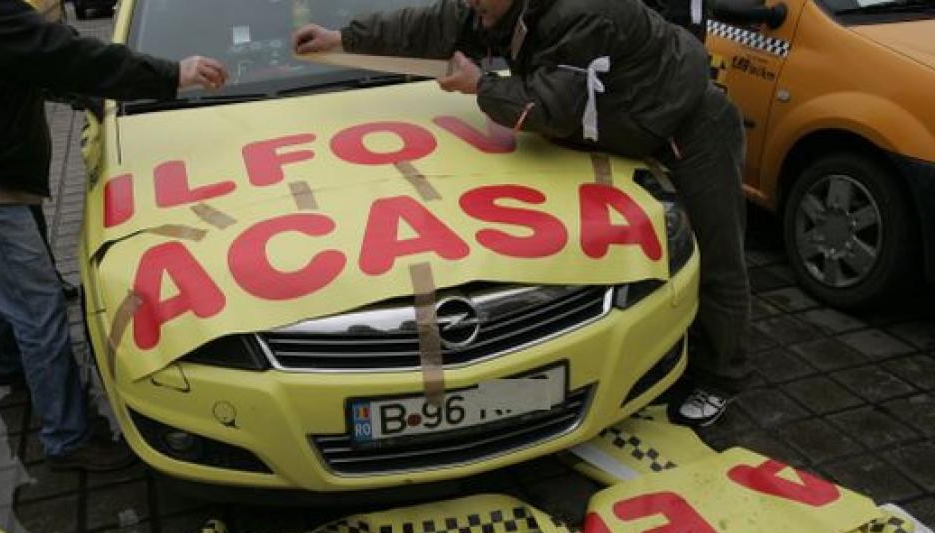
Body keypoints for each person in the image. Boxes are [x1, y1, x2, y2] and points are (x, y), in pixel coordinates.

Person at [294, 0, 749, 427]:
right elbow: (433, 24)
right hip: (616, 128)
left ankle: (720, 376)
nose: (471, 3)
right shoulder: (495, 4)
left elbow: (550, 109)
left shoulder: (584, 12)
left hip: (686, 127)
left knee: (715, 252)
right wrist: (340, 38)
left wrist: (480, 85)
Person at [0, 0, 229, 470]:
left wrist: (81, 90)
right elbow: (48, 51)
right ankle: (67, 436)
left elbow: (11, 55)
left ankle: (5, 364)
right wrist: (170, 75)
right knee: (38, 307)